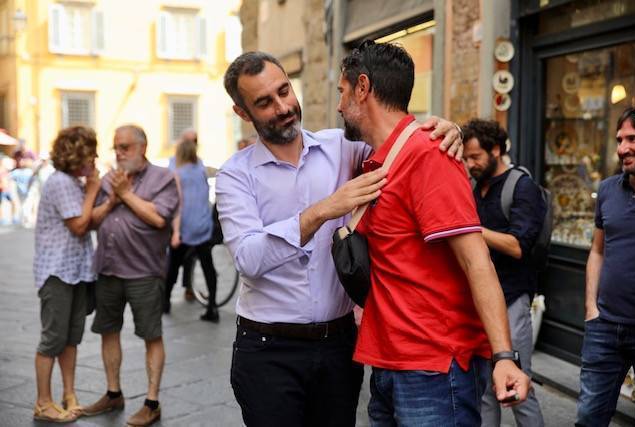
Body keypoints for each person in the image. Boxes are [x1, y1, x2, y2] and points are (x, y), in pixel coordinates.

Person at [216, 50, 463, 426]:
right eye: (264, 102)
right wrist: (323, 210)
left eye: (284, 91)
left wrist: (443, 128)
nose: (283, 107)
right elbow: (249, 259)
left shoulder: (342, 147)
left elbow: (397, 138)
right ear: (242, 113)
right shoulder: (235, 175)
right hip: (268, 350)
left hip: (338, 346)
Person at [337, 40, 530, 426]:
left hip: (434, 369)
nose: (339, 106)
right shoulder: (376, 158)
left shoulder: (429, 154)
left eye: (342, 92)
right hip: (390, 362)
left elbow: (476, 261)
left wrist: (504, 357)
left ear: (362, 87)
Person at [83, 125, 178, 427]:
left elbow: (158, 218)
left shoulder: (163, 178)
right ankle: (113, 393)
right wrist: (112, 200)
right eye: (116, 147)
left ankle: (151, 402)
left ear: (142, 147)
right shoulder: (109, 180)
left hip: (144, 272)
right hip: (108, 268)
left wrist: (125, 194)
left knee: (151, 335)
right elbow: (91, 221)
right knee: (108, 331)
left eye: (125, 147)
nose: (119, 153)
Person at [462, 119, 545, 427]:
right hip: (479, 301)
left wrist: (471, 229)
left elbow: (518, 246)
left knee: (518, 388)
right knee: (484, 388)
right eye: (466, 158)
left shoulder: (521, 187)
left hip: (512, 298)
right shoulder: (474, 187)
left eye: (476, 157)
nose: (470, 164)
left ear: (495, 150)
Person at [576, 106, 635, 426]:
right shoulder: (607, 190)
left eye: (633, 138)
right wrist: (591, 307)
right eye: (619, 140)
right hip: (604, 327)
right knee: (589, 417)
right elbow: (597, 250)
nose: (622, 148)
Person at [32, 126, 100, 423]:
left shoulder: (73, 182)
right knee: (53, 340)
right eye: (91, 152)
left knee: (71, 339)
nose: (95, 158)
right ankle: (43, 402)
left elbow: (88, 219)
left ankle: (69, 394)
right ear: (77, 154)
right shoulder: (61, 182)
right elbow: (79, 225)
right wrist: (94, 190)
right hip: (58, 272)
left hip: (75, 271)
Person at [164, 139, 219, 322]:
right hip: (203, 226)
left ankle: (165, 301)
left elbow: (177, 204)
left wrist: (175, 231)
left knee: (173, 266)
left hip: (184, 227)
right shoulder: (201, 170)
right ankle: (212, 306)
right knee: (208, 267)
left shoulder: (177, 174)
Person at [168, 128, 200, 301]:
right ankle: (166, 296)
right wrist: (176, 230)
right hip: (179, 224)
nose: (192, 145)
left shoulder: (199, 165)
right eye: (189, 141)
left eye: (194, 141)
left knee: (190, 260)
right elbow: (176, 200)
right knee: (174, 262)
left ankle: (189, 288)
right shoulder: (174, 166)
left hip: (195, 225)